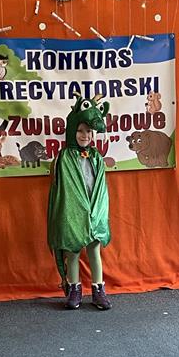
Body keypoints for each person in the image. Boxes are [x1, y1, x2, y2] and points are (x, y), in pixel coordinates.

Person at [47, 94, 112, 310]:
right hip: (72, 213)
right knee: (72, 252)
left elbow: (101, 188)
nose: (85, 136)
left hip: (93, 212)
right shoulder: (64, 157)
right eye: (81, 131)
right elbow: (61, 189)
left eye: (89, 132)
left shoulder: (96, 157)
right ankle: (74, 289)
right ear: (72, 130)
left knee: (94, 251)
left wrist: (98, 212)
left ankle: (98, 290)